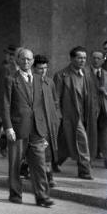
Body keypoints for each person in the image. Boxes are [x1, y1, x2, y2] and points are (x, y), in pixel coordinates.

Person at [0, 48, 56, 207]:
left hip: (37, 129)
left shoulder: (39, 79)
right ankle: (15, 194)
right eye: (23, 59)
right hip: (18, 128)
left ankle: (42, 197)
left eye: (29, 59)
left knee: (39, 164)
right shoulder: (11, 79)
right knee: (16, 164)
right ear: (17, 60)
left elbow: (43, 105)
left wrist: (44, 130)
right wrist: (8, 127)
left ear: (33, 61)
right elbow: (5, 105)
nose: (26, 62)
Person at [53, 46, 99, 179]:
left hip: (86, 114)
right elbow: (55, 98)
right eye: (79, 58)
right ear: (72, 58)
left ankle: (53, 162)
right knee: (81, 141)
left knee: (64, 142)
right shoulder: (62, 75)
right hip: (70, 116)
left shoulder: (87, 75)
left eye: (84, 58)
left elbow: (93, 96)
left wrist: (95, 110)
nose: (82, 61)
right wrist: (58, 116)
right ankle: (84, 170)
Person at [32, 55, 61, 186]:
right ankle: (43, 175)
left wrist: (57, 117)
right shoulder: (30, 82)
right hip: (35, 122)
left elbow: (55, 101)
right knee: (37, 150)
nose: (43, 71)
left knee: (48, 150)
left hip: (50, 122)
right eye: (40, 68)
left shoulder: (50, 82)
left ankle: (48, 175)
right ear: (34, 68)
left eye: (45, 68)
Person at [88, 50, 107, 168]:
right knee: (90, 135)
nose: (96, 60)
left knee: (105, 135)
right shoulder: (85, 72)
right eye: (94, 58)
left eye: (99, 58)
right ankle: (88, 161)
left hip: (104, 109)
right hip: (90, 109)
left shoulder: (106, 73)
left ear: (103, 60)